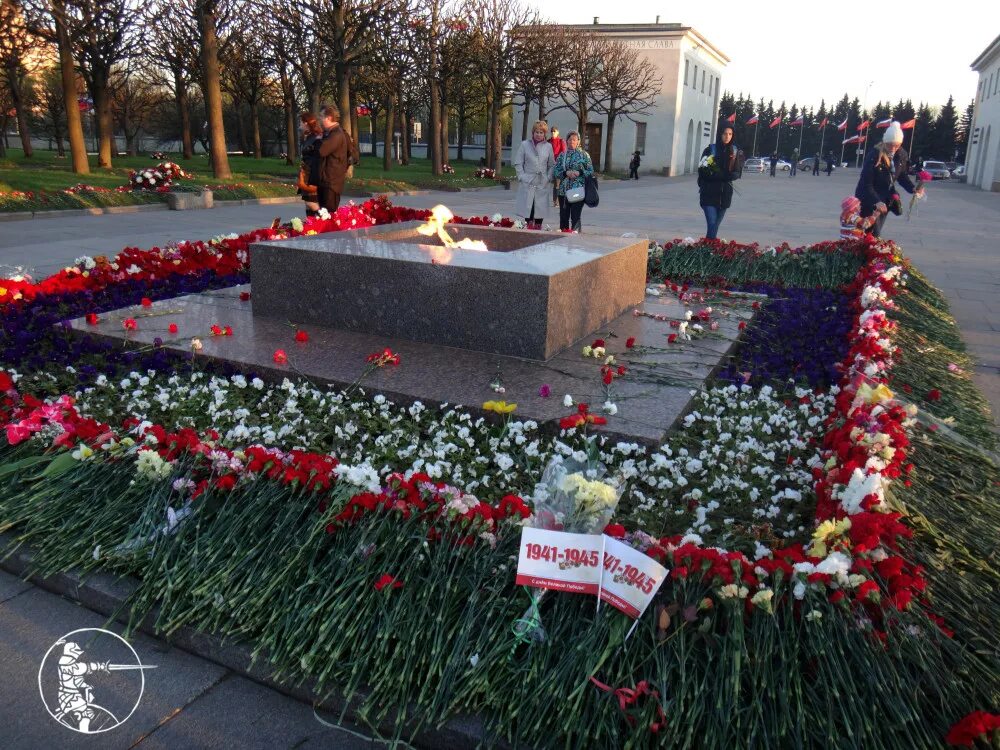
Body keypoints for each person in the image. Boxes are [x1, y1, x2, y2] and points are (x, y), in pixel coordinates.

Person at [854, 121, 923, 238]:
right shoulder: (874, 155)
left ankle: (871, 252)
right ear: (885, 142)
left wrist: (913, 188)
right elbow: (866, 183)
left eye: (897, 145)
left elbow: (901, 175)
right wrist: (876, 201)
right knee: (869, 233)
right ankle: (868, 253)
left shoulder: (901, 154)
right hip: (868, 199)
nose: (893, 148)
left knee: (874, 233)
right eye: (890, 144)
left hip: (885, 200)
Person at [697, 124, 742, 240]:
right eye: (725, 133)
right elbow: (702, 171)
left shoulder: (735, 151)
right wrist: (720, 175)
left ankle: (708, 251)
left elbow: (737, 172)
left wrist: (730, 176)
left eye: (730, 134)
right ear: (720, 134)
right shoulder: (710, 150)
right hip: (709, 195)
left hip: (724, 197)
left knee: (714, 227)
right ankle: (709, 250)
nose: (727, 136)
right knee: (712, 224)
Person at [514, 120, 555, 229]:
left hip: (542, 183)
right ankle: (529, 230)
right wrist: (522, 176)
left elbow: (552, 165)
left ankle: (538, 230)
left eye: (541, 132)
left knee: (539, 210)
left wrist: (548, 177)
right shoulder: (524, 145)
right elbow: (518, 162)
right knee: (529, 209)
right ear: (533, 132)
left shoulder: (548, 146)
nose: (539, 135)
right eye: (537, 132)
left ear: (544, 134)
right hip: (528, 181)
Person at [553, 131, 594, 232]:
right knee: (563, 215)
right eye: (570, 139)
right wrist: (565, 173)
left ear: (578, 141)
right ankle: (563, 235)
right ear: (566, 141)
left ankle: (575, 236)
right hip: (563, 191)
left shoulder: (584, 155)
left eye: (574, 140)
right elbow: (555, 171)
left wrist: (579, 172)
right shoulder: (562, 155)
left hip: (578, 190)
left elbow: (590, 171)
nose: (572, 141)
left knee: (575, 215)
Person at [316, 104, 352, 213]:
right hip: (327, 181)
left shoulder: (336, 134)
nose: (320, 120)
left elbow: (321, 151)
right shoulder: (332, 133)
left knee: (327, 216)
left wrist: (316, 139)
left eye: (322, 117)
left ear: (329, 118)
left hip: (331, 184)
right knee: (323, 216)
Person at [296, 112, 323, 217]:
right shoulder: (309, 137)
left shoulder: (317, 138)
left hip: (312, 175)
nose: (299, 126)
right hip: (306, 175)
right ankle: (312, 227)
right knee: (308, 204)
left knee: (311, 203)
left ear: (306, 123)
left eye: (301, 123)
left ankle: (325, 221)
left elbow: (318, 157)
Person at [548, 127, 566, 206]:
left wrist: (559, 162)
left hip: (558, 165)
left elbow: (564, 153)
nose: (552, 133)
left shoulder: (561, 141)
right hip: (549, 165)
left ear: (557, 132)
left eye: (554, 131)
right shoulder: (548, 141)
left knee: (557, 184)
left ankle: (556, 201)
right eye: (551, 131)